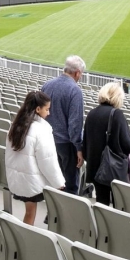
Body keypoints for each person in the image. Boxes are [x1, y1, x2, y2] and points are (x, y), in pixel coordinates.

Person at [5, 90, 66, 225]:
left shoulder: (15, 125)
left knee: (29, 211)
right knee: (30, 213)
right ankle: (25, 242)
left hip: (18, 179)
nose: (49, 113)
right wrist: (58, 183)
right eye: (47, 109)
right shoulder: (41, 129)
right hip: (31, 182)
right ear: (38, 109)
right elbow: (47, 160)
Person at [82, 82, 130, 206]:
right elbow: (128, 144)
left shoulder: (92, 113)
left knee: (101, 204)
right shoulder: (117, 114)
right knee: (119, 205)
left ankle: (102, 225)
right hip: (113, 168)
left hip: (95, 168)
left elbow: (85, 143)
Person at [41, 55, 86, 194]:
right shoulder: (75, 90)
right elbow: (74, 124)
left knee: (54, 182)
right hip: (66, 145)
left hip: (48, 140)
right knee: (70, 186)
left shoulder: (47, 85)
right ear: (77, 72)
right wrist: (79, 147)